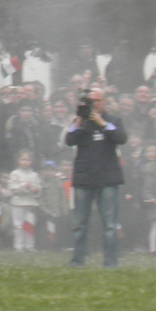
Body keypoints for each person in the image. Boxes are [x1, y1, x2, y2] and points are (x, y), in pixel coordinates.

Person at [66, 88, 127, 268]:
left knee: (110, 224)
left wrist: (102, 123)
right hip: (84, 178)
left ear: (104, 101)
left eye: (97, 101)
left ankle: (110, 262)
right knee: (80, 224)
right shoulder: (81, 122)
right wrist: (77, 122)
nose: (94, 105)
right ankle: (77, 261)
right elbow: (69, 140)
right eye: (90, 101)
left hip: (107, 178)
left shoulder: (113, 121)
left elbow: (121, 138)